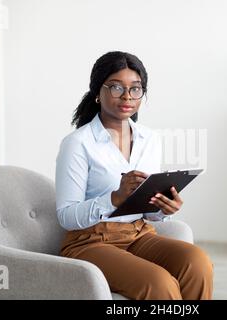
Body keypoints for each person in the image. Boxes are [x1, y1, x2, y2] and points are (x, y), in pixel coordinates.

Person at [55, 51, 213, 300]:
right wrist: (114, 198)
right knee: (159, 283)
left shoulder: (149, 139)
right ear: (98, 92)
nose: (127, 96)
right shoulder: (77, 144)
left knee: (198, 263)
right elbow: (66, 216)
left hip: (139, 233)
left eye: (136, 89)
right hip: (90, 242)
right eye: (116, 87)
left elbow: (147, 211)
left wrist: (163, 208)